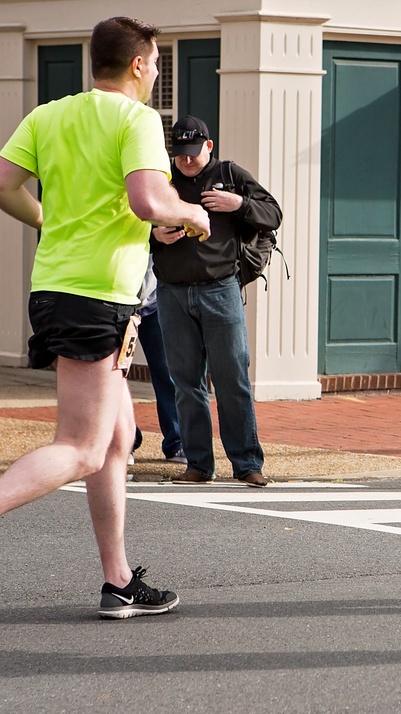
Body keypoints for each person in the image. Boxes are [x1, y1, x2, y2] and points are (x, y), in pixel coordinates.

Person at [0, 16, 210, 618]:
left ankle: (118, 581)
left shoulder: (49, 114)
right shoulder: (137, 119)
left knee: (118, 436)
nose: (158, 73)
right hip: (98, 297)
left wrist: (50, 222)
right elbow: (148, 200)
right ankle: (116, 578)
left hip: (60, 289)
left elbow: (6, 185)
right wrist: (191, 216)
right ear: (140, 64)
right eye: (157, 63)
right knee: (83, 448)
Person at [150, 115, 281, 488]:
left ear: (209, 146)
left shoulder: (231, 174)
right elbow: (132, 227)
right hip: (172, 292)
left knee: (232, 379)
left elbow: (273, 215)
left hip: (220, 289)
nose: (187, 161)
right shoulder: (162, 181)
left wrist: (237, 203)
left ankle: (247, 464)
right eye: (180, 154)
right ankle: (198, 465)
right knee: (186, 383)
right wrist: (156, 235)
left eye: (193, 153)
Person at [133, 257, 186, 465]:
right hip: (116, 300)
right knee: (115, 375)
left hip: (157, 300)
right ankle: (125, 441)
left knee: (169, 372)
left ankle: (177, 441)